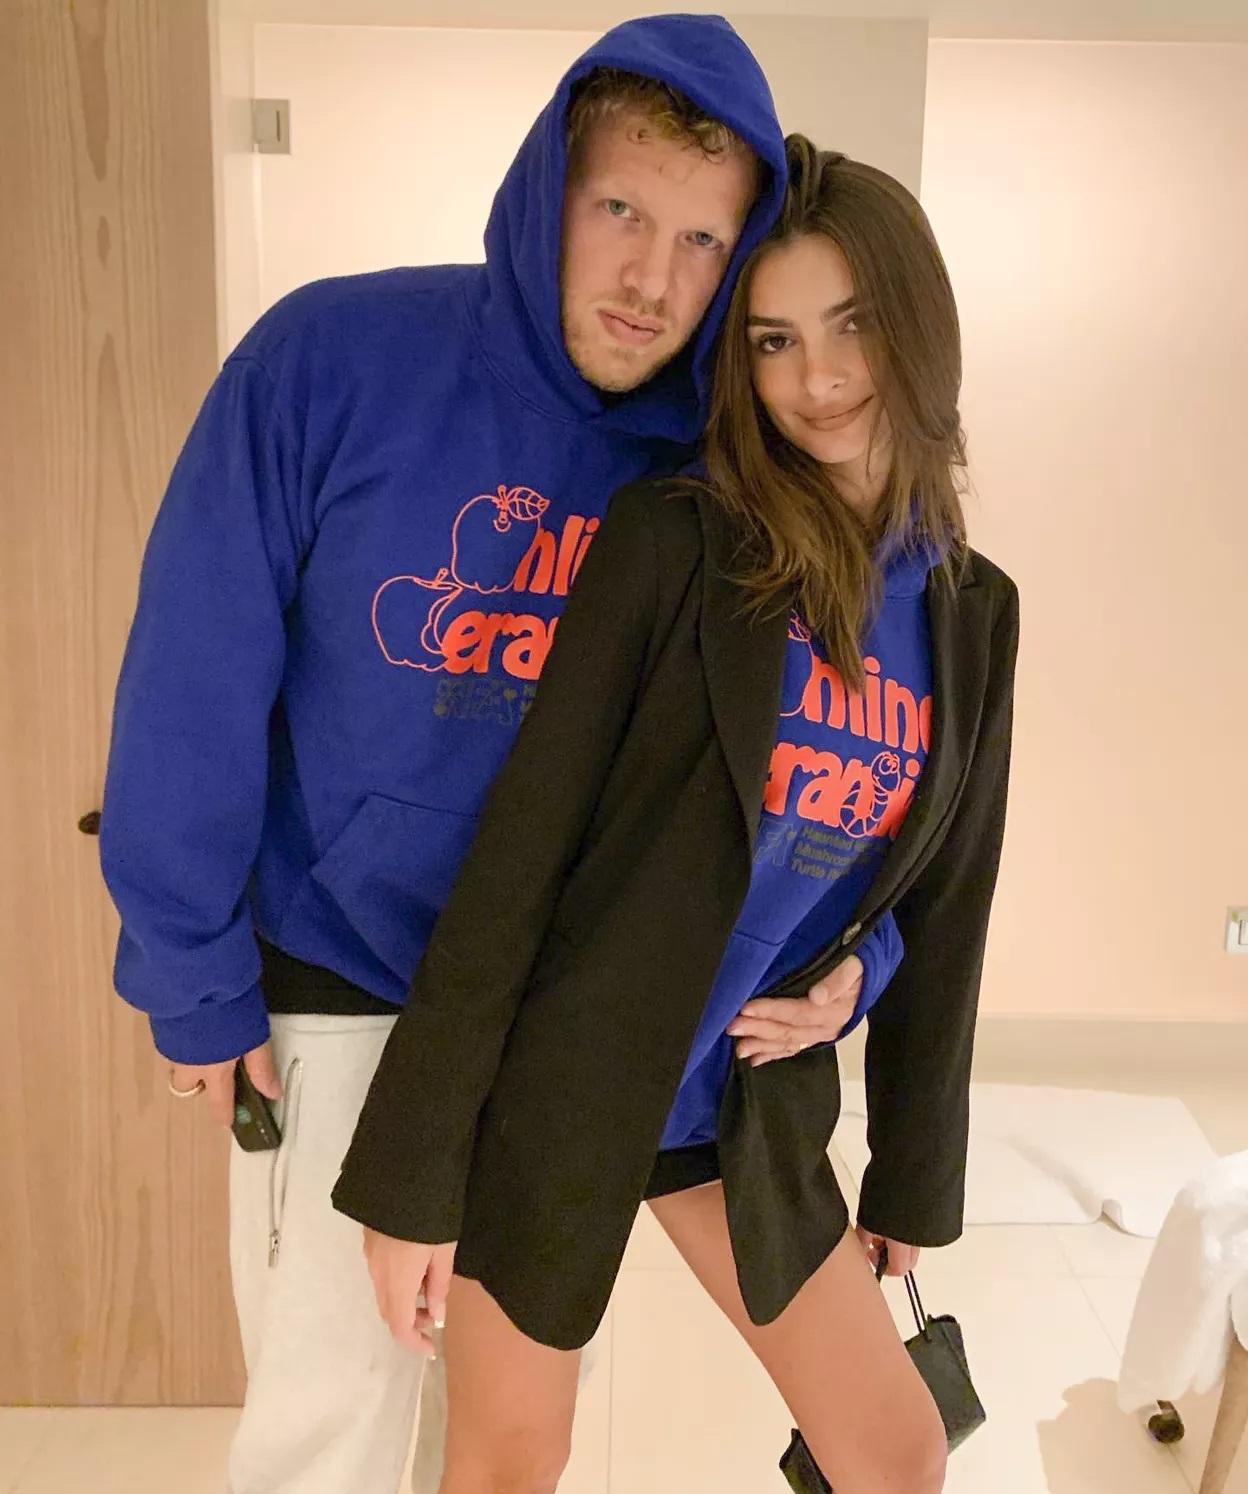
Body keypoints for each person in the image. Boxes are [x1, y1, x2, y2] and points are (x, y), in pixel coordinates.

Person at [96, 17, 823, 1494]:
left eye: (702, 239)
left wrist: (857, 963)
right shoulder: (332, 358)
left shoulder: (718, 469)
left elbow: (816, 743)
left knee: (495, 1442)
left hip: (556, 1026)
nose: (652, 278)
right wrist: (192, 978)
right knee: (327, 1431)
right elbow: (194, 670)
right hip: (340, 986)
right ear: (550, 186)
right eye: (620, 209)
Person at [334, 135, 1020, 1494]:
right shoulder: (680, 540)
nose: (818, 378)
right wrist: (412, 1174)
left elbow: (943, 892)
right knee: (509, 1463)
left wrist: (906, 1161)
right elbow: (525, 851)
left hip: (736, 1098)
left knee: (897, 1451)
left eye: (852, 326)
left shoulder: (970, 607)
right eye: (773, 340)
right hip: (564, 1077)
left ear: (921, 324)